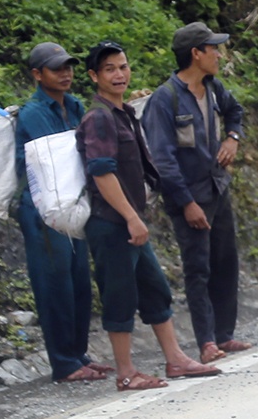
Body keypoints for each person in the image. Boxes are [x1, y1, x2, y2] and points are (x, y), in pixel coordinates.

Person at [75, 42, 223, 389]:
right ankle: (126, 373)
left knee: (155, 289)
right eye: (109, 69)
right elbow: (101, 172)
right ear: (94, 76)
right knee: (119, 295)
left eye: (123, 67)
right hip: (112, 223)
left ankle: (175, 359)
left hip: (128, 223)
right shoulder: (98, 118)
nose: (119, 74)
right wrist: (130, 216)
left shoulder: (123, 112)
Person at [142, 22, 249, 362]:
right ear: (196, 54)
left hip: (217, 186)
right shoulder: (165, 99)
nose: (219, 55)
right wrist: (187, 203)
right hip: (188, 195)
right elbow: (162, 159)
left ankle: (224, 334)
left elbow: (235, 112)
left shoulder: (214, 87)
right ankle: (206, 341)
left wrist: (232, 138)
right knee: (198, 267)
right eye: (213, 49)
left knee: (225, 260)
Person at [13, 42, 108, 383]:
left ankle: (78, 353)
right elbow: (59, 154)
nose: (66, 74)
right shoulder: (33, 112)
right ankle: (63, 362)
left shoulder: (74, 104)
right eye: (57, 69)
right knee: (54, 282)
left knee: (79, 279)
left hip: (70, 200)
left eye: (68, 67)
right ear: (38, 75)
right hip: (40, 206)